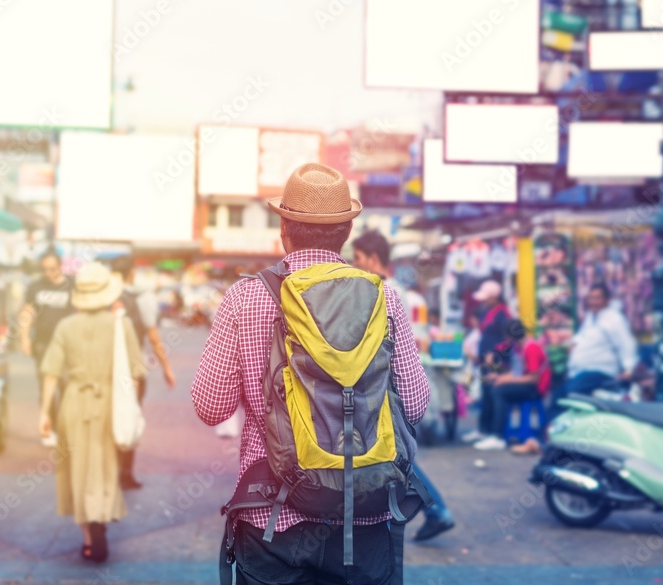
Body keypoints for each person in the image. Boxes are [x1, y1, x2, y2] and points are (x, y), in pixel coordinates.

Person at [192, 163, 430, 583]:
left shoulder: (247, 297)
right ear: (346, 232)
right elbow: (414, 403)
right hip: (365, 517)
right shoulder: (384, 297)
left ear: (284, 227)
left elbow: (211, 407)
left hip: (273, 518)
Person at [352, 229, 456, 542]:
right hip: (405, 385)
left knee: (395, 459)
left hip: (389, 391)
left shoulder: (379, 293)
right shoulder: (405, 293)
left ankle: (433, 511)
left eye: (357, 259)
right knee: (396, 457)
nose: (355, 265)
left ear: (372, 259)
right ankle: (427, 512)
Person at [37, 262, 145, 563]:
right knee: (106, 464)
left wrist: (44, 413)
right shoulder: (120, 325)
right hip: (109, 403)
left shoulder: (65, 327)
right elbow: (135, 373)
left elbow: (50, 374)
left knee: (78, 468)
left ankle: (88, 536)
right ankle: (101, 518)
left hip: (74, 402)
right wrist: (130, 406)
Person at [109, 254, 176, 490]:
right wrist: (166, 369)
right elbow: (154, 338)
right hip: (131, 371)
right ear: (132, 273)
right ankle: (125, 473)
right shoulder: (143, 299)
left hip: (105, 369)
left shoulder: (102, 297)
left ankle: (108, 471)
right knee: (130, 416)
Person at [20, 249, 74, 447]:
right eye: (45, 269)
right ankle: (48, 427)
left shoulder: (71, 285)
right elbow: (27, 312)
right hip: (43, 345)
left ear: (60, 266)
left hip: (67, 346)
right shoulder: (35, 287)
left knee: (66, 387)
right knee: (46, 388)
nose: (49, 272)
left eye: (52, 268)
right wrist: (24, 337)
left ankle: (64, 428)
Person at [473, 319, 551, 452]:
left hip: (535, 390)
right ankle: (488, 430)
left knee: (498, 391)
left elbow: (533, 378)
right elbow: (517, 372)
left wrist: (504, 380)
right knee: (490, 385)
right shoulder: (520, 347)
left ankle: (498, 436)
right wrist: (500, 377)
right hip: (527, 385)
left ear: (510, 336)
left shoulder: (531, 348)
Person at [563, 283, 638, 399]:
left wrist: (628, 370)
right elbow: (582, 336)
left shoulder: (614, 319)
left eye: (597, 298)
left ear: (607, 300)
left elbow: (626, 345)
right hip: (581, 372)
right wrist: (574, 344)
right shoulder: (591, 317)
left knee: (567, 395)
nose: (593, 302)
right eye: (591, 298)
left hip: (600, 372)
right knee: (559, 396)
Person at [462, 279, 512, 443]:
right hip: (483, 360)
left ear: (494, 297)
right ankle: (483, 430)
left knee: (494, 394)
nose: (483, 300)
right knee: (485, 395)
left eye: (486, 297)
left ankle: (495, 433)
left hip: (497, 362)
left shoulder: (503, 314)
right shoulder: (486, 311)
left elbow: (509, 338)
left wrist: (497, 354)